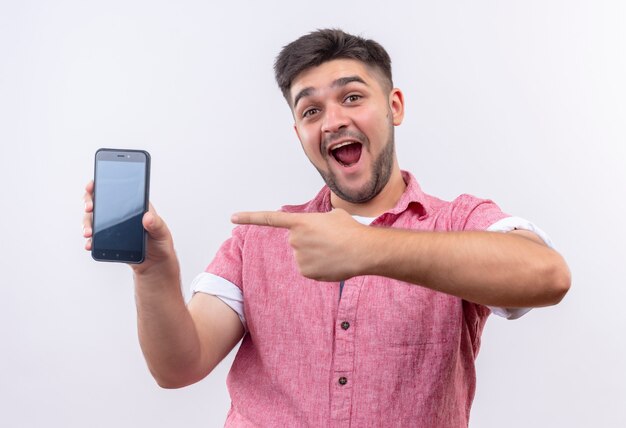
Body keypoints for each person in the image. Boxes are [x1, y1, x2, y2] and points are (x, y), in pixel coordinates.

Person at [82, 29, 571, 427]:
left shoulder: (458, 222)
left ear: (394, 106)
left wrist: (369, 247)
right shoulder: (258, 239)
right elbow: (178, 366)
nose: (333, 120)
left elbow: (547, 276)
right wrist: (152, 270)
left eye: (352, 97)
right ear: (300, 133)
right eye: (311, 110)